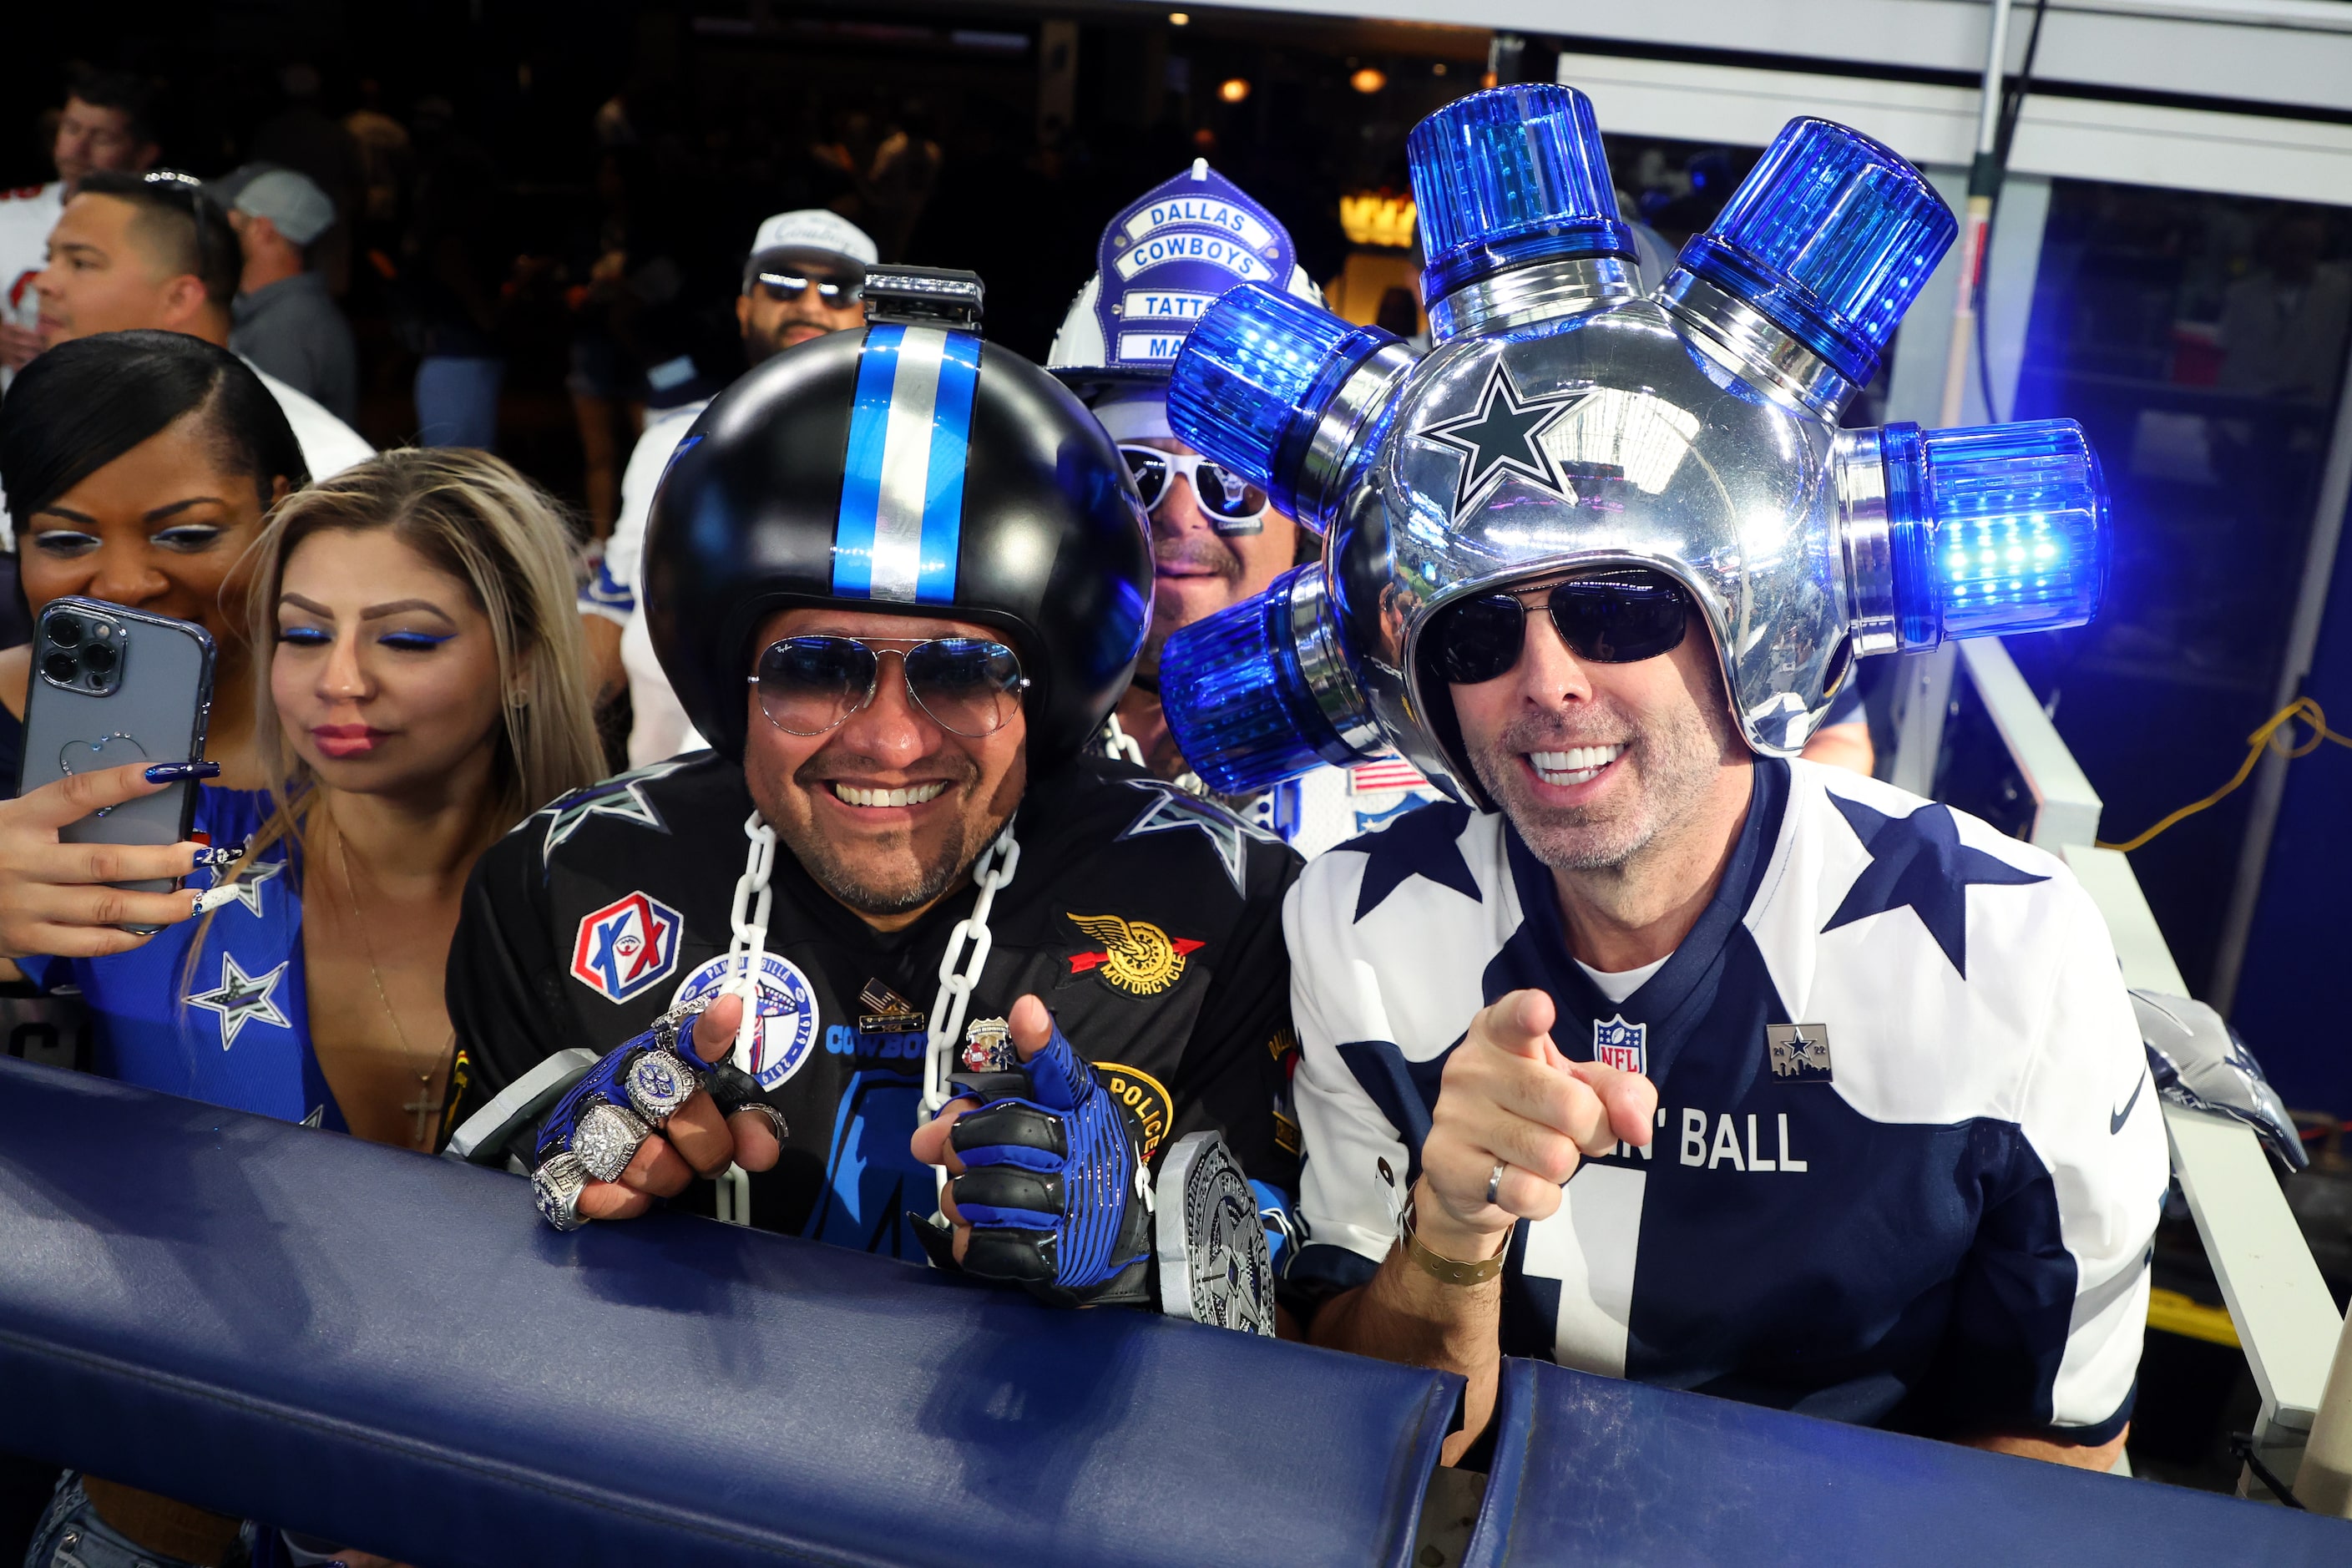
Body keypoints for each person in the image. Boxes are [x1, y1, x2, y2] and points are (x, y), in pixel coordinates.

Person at [443, 280, 1304, 1322]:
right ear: (728, 678)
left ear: (1056, 685)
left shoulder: (1229, 908)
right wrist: (550, 1184)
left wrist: (1141, 1255)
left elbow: (1299, 1321)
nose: (891, 743)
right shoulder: (561, 884)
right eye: (813, 669)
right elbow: (452, 1304)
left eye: (963, 673)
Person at [1274, 559, 2160, 1464]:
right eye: (1480, 635)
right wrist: (1452, 1234)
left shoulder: (2011, 944)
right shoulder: (1356, 923)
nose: (1548, 683)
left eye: (1614, 614)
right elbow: (1367, 1432)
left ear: (1742, 630)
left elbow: (2051, 1448)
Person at [0, 401, 599, 1568]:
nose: (341, 682)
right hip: (151, 1523)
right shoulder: (146, 867)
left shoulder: (644, 910)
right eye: (303, 633)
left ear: (524, 660)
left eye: (408, 638)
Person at [1044, 161, 1452, 856]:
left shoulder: (1428, 764)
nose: (1180, 517)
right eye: (1135, 476)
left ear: (1308, 520)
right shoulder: (990, 726)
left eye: (1229, 483)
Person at [578, 208, 874, 762]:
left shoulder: (916, 454)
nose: (809, 303)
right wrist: (541, 731)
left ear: (871, 313)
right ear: (743, 307)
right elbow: (615, 601)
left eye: (838, 289)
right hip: (666, 803)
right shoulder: (671, 439)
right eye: (783, 281)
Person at [26, 170, 372, 490]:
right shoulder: (39, 419)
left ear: (179, 298)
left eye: (81, 262)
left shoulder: (318, 462)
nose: (43, 282)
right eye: (48, 258)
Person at [0, 70, 159, 386]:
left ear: (144, 154)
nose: (78, 149)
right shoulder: (7, 213)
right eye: (71, 129)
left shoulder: (162, 233)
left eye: (102, 138)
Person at [222, 165, 360, 423]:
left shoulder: (285, 327)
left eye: (235, 223)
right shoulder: (287, 313)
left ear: (262, 229)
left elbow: (267, 437)